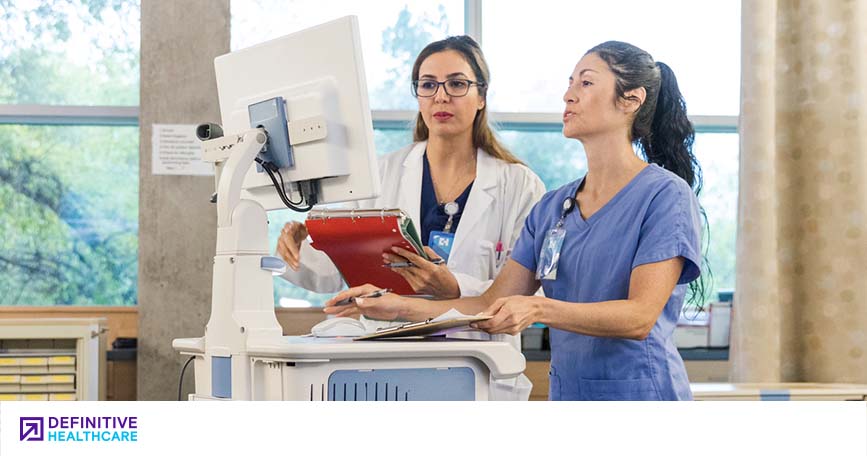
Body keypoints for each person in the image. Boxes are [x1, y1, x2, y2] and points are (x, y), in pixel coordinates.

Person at [326, 41, 705, 401]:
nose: (568, 95)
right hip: (570, 396)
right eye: (569, 83)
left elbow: (639, 316)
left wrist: (538, 308)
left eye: (586, 82)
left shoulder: (664, 196)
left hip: (642, 395)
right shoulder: (555, 207)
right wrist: (393, 306)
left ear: (631, 100)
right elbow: (490, 302)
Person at [277, 35, 545, 304]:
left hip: (477, 344)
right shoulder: (380, 175)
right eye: (428, 85)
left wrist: (456, 287)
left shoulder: (520, 185)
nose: (441, 96)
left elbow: (529, 290)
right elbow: (338, 271)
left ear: (481, 97)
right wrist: (301, 247)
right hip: (393, 341)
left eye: (457, 84)